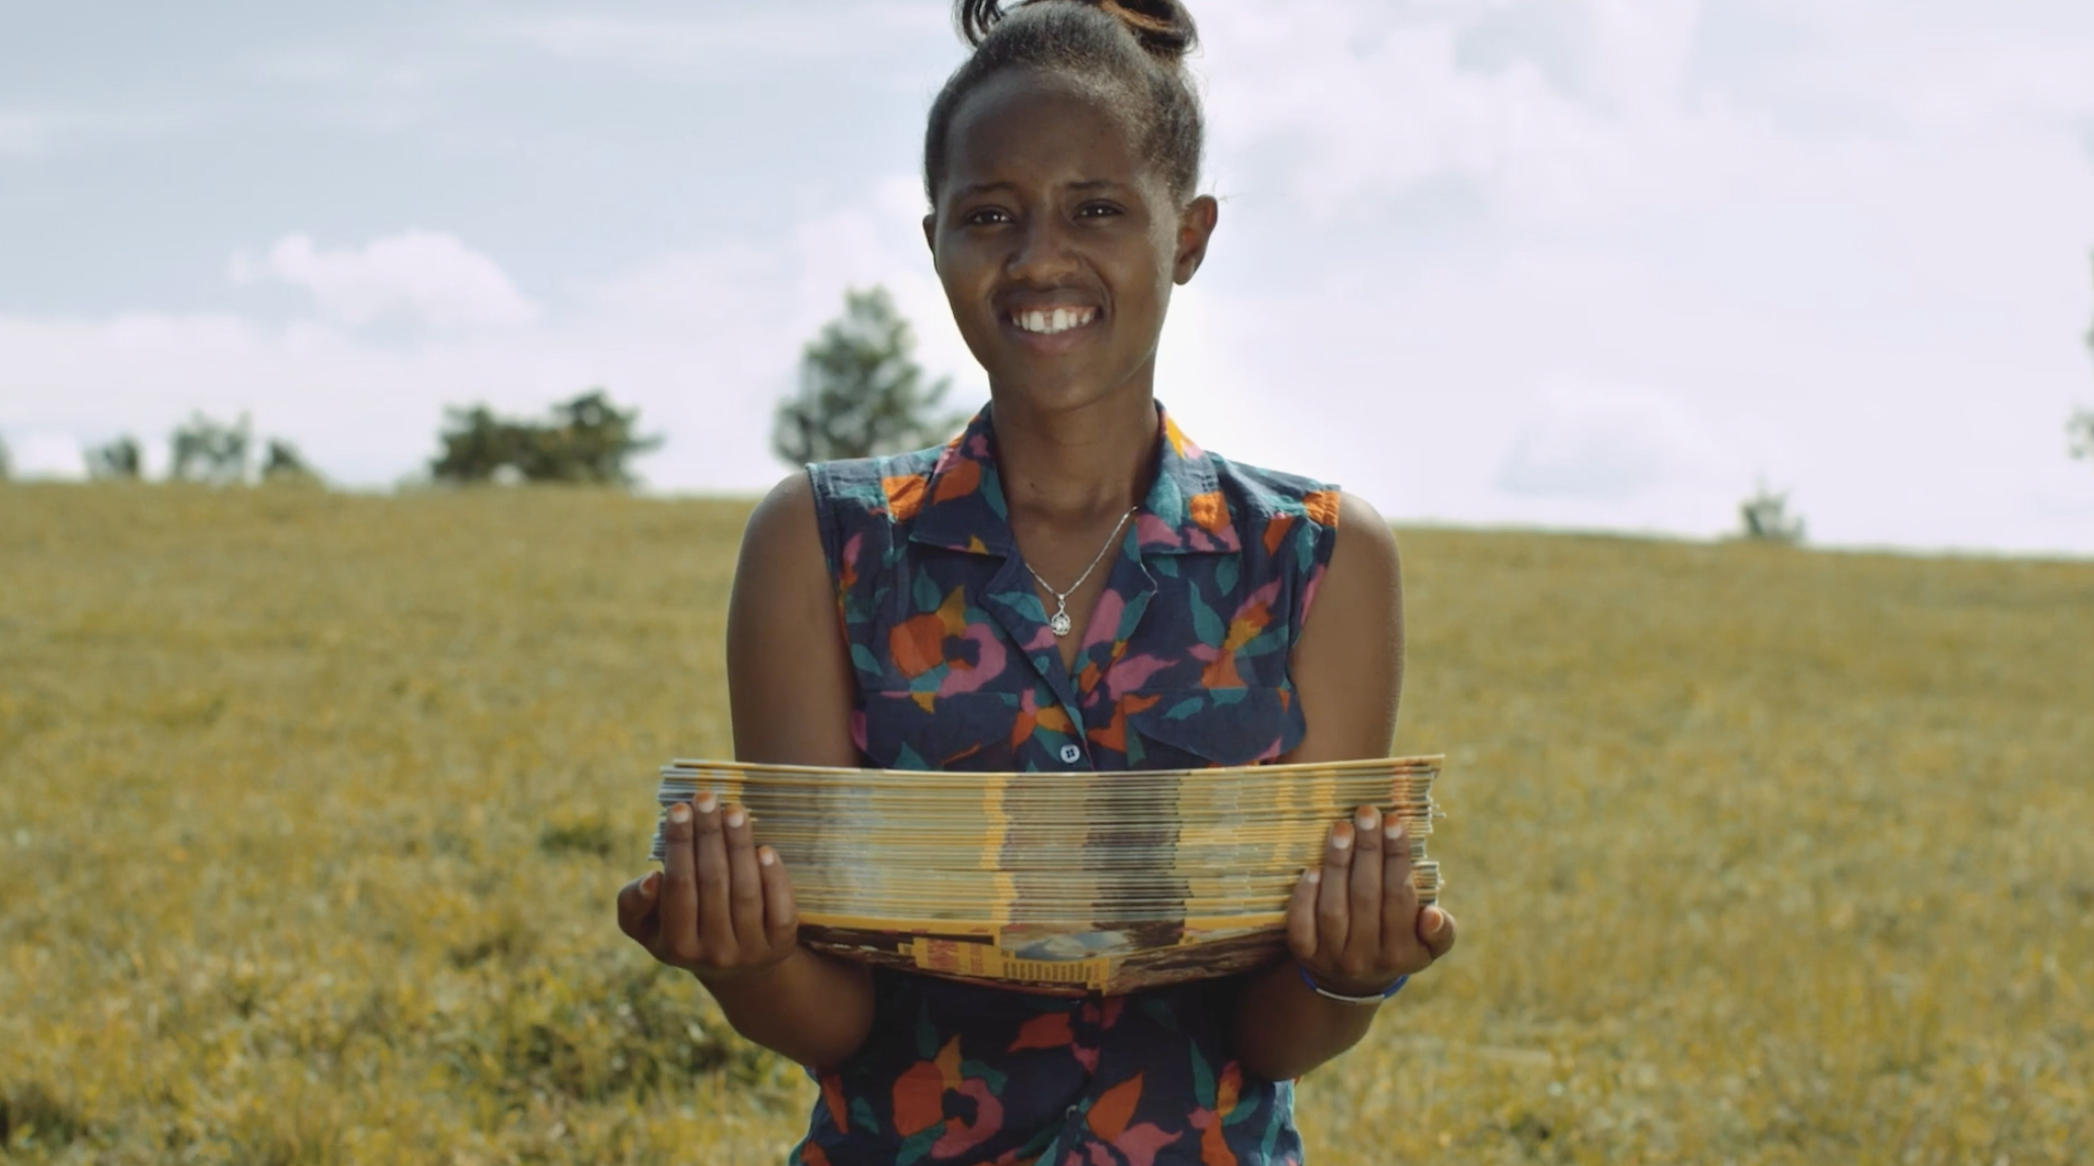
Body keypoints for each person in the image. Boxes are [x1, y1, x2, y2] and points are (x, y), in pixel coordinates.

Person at [615, 1, 1459, 1161]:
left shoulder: (1319, 558)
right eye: (992, 215)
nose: (1039, 257)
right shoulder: (823, 544)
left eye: (1097, 209)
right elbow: (836, 1020)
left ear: (1191, 234)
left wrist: (1347, 972)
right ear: (937, 242)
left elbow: (1272, 1038)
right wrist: (747, 959)